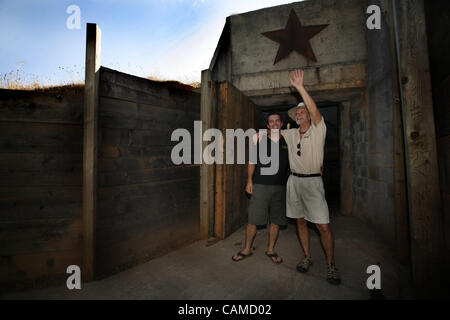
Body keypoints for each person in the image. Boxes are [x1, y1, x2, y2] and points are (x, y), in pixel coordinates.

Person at [281, 69, 341, 285]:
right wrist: (261, 133)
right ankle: (307, 257)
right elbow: (272, 132)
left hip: (314, 182)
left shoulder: (318, 130)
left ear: (308, 115)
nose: (299, 115)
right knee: (300, 221)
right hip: (294, 181)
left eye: (302, 112)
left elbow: (316, 112)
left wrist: (300, 88)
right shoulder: (289, 133)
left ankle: (331, 265)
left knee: (323, 225)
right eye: (296, 114)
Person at [232, 112, 290, 264]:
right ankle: (246, 249)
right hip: (260, 186)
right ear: (268, 125)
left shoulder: (288, 140)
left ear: (282, 123)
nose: (275, 123)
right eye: (271, 121)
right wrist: (249, 181)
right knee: (253, 219)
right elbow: (251, 162)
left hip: (280, 187)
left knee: (276, 221)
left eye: (277, 121)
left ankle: (271, 249)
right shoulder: (259, 140)